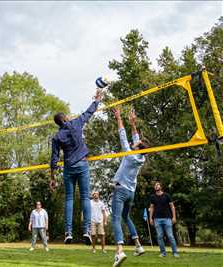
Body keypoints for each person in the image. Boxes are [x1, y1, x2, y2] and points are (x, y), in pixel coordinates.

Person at [49, 89, 103, 245]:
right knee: (85, 197)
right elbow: (89, 113)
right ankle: (86, 230)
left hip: (69, 168)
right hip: (82, 164)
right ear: (65, 118)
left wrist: (52, 177)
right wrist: (97, 100)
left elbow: (54, 158)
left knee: (69, 199)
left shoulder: (56, 136)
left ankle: (68, 233)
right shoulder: (76, 123)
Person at [111, 108, 148, 267]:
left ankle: (119, 251)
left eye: (136, 143)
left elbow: (122, 134)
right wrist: (133, 124)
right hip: (131, 192)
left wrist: (119, 117)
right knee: (126, 217)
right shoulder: (141, 158)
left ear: (137, 148)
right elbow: (135, 138)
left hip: (120, 191)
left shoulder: (129, 153)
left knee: (116, 219)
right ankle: (138, 246)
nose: (134, 142)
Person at [149, 181, 179, 258]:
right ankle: (163, 253)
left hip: (167, 219)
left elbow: (172, 206)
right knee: (159, 236)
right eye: (155, 185)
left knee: (170, 236)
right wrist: (150, 218)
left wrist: (174, 217)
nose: (156, 186)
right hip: (157, 219)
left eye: (157, 185)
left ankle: (175, 253)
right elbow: (152, 208)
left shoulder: (167, 195)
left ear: (160, 187)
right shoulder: (152, 197)